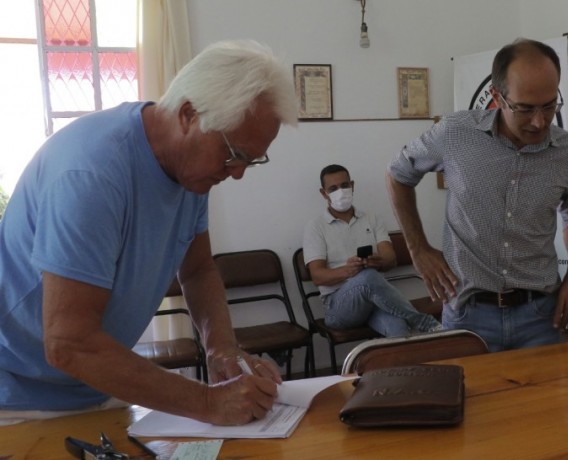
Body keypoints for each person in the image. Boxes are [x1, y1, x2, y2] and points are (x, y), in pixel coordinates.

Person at [0, 40, 298, 426]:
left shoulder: (193, 171)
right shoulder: (92, 174)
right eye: (234, 154)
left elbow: (198, 270)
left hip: (95, 384)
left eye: (251, 161)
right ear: (189, 114)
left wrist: (222, 349)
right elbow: (68, 343)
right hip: (16, 398)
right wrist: (208, 403)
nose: (237, 172)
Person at [386, 38, 568, 352]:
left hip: (540, 315)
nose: (539, 121)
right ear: (497, 97)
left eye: (550, 105)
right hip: (468, 315)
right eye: (525, 108)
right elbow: (397, 175)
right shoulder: (455, 133)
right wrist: (418, 249)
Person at [303, 164, 442, 337]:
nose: (341, 191)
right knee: (367, 276)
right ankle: (422, 321)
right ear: (324, 193)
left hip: (375, 302)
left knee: (398, 329)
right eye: (333, 188)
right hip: (338, 307)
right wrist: (350, 271)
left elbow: (391, 259)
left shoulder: (372, 219)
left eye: (345, 185)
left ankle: (401, 364)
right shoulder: (316, 227)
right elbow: (317, 276)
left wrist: (377, 261)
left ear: (352, 185)